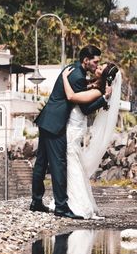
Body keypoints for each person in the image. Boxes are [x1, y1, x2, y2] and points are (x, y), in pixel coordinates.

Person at [30, 45, 110, 220]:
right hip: (57, 123)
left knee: (41, 163)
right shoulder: (78, 76)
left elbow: (80, 90)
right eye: (95, 62)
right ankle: (61, 206)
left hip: (47, 119)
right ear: (86, 60)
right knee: (59, 164)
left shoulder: (72, 69)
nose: (97, 65)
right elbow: (84, 107)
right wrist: (102, 99)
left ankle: (36, 201)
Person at [60, 63, 119, 219]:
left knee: (72, 160)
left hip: (75, 125)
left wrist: (64, 78)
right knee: (73, 160)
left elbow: (83, 106)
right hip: (75, 124)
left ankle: (77, 204)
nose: (97, 68)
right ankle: (71, 200)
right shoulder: (95, 86)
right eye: (99, 66)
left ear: (105, 76)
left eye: (101, 69)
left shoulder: (99, 91)